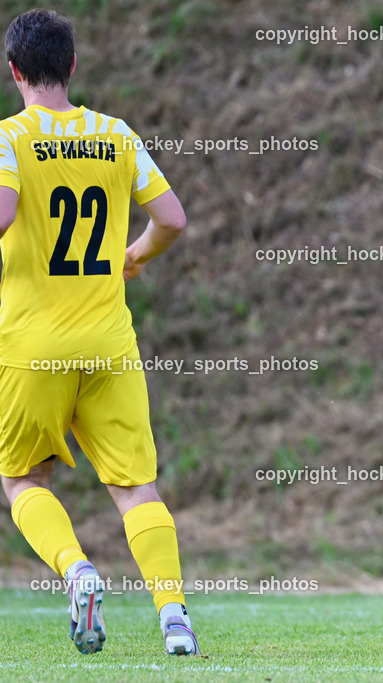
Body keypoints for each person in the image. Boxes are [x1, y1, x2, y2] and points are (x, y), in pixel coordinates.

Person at [0, 9, 198, 655]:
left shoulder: (8, 138)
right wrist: (133, 255)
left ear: (14, 71)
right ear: (73, 66)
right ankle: (174, 618)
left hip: (31, 345)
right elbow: (171, 218)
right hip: (110, 342)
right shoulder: (115, 134)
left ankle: (76, 567)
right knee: (135, 485)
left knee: (24, 480)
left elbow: (2, 215)